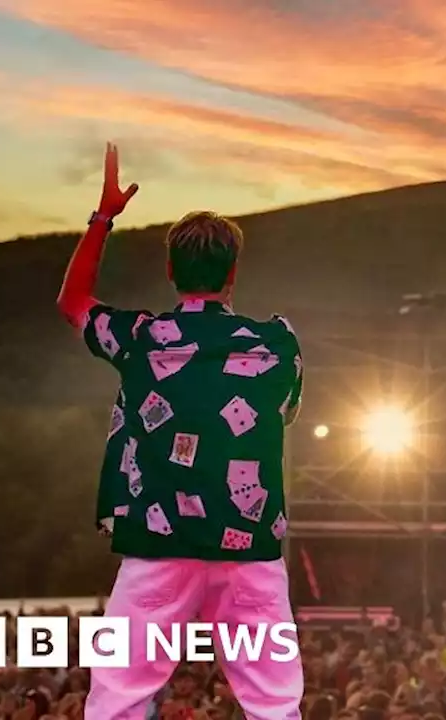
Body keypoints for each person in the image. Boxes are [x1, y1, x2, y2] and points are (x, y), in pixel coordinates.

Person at [56, 143, 304, 718]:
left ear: (170, 272)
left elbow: (72, 302)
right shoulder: (276, 343)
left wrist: (104, 217)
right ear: (234, 273)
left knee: (119, 695)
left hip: (157, 542)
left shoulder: (140, 338)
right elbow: (285, 413)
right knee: (273, 703)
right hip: (249, 545)